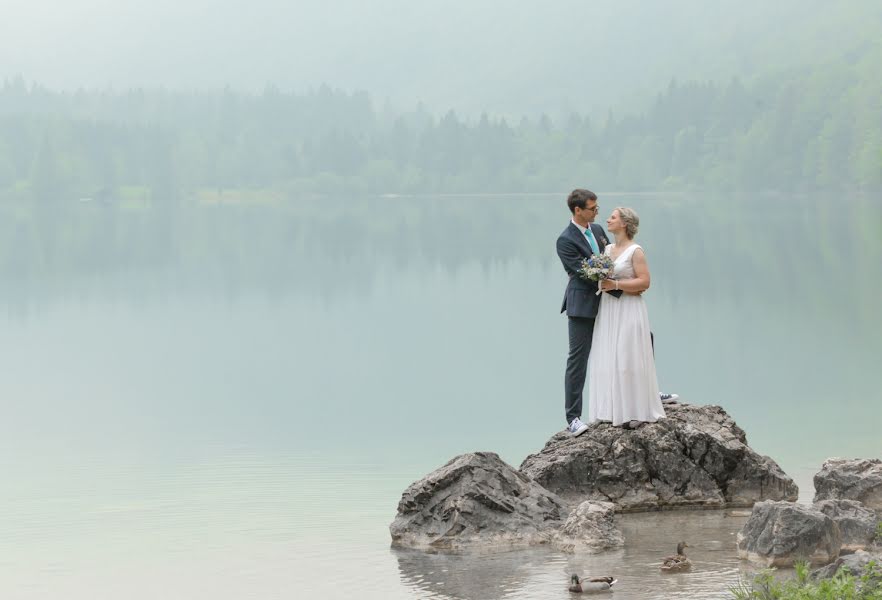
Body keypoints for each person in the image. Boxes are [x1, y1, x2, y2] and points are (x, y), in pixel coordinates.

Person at [587, 207, 666, 428]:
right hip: (609, 308)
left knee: (627, 356)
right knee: (608, 355)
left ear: (624, 223)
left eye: (613, 217)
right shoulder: (607, 249)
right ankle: (611, 409)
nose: (607, 220)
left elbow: (644, 283)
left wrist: (616, 284)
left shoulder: (636, 251)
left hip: (629, 308)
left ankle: (635, 410)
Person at [556, 189, 612, 436]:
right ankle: (573, 418)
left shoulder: (598, 230)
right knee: (578, 360)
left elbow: (610, 256)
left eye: (597, 208)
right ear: (577, 210)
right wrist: (610, 276)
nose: (596, 212)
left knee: (639, 337)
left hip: (610, 300)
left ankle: (648, 393)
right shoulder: (565, 240)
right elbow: (583, 271)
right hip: (582, 306)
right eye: (592, 208)